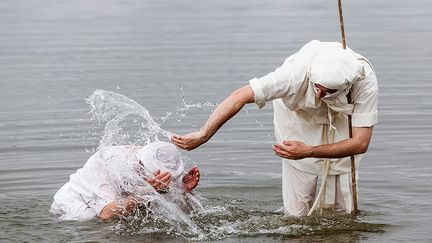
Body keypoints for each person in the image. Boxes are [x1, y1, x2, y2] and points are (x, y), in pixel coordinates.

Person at [171, 40, 378, 216]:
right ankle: (299, 220)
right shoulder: (293, 75)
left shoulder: (364, 81)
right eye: (317, 88)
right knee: (299, 201)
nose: (318, 96)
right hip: (297, 117)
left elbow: (360, 143)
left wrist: (311, 150)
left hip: (341, 115)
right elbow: (239, 97)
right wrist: (203, 134)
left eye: (327, 91)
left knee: (342, 194)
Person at [50, 141, 200, 221]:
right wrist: (149, 191)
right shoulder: (110, 163)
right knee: (92, 219)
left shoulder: (161, 160)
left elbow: (189, 215)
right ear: (141, 164)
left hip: (117, 202)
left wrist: (184, 191)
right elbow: (106, 213)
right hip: (75, 204)